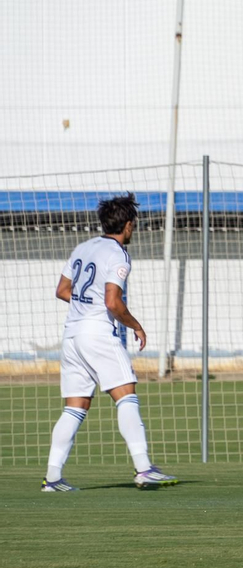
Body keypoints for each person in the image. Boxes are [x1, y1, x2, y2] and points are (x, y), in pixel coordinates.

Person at [42, 194, 178, 492]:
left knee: (75, 406)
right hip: (97, 333)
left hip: (72, 335)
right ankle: (144, 469)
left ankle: (52, 478)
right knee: (125, 394)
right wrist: (136, 326)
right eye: (134, 225)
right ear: (128, 225)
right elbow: (113, 302)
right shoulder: (117, 254)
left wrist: (86, 304)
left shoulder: (83, 247)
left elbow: (63, 290)